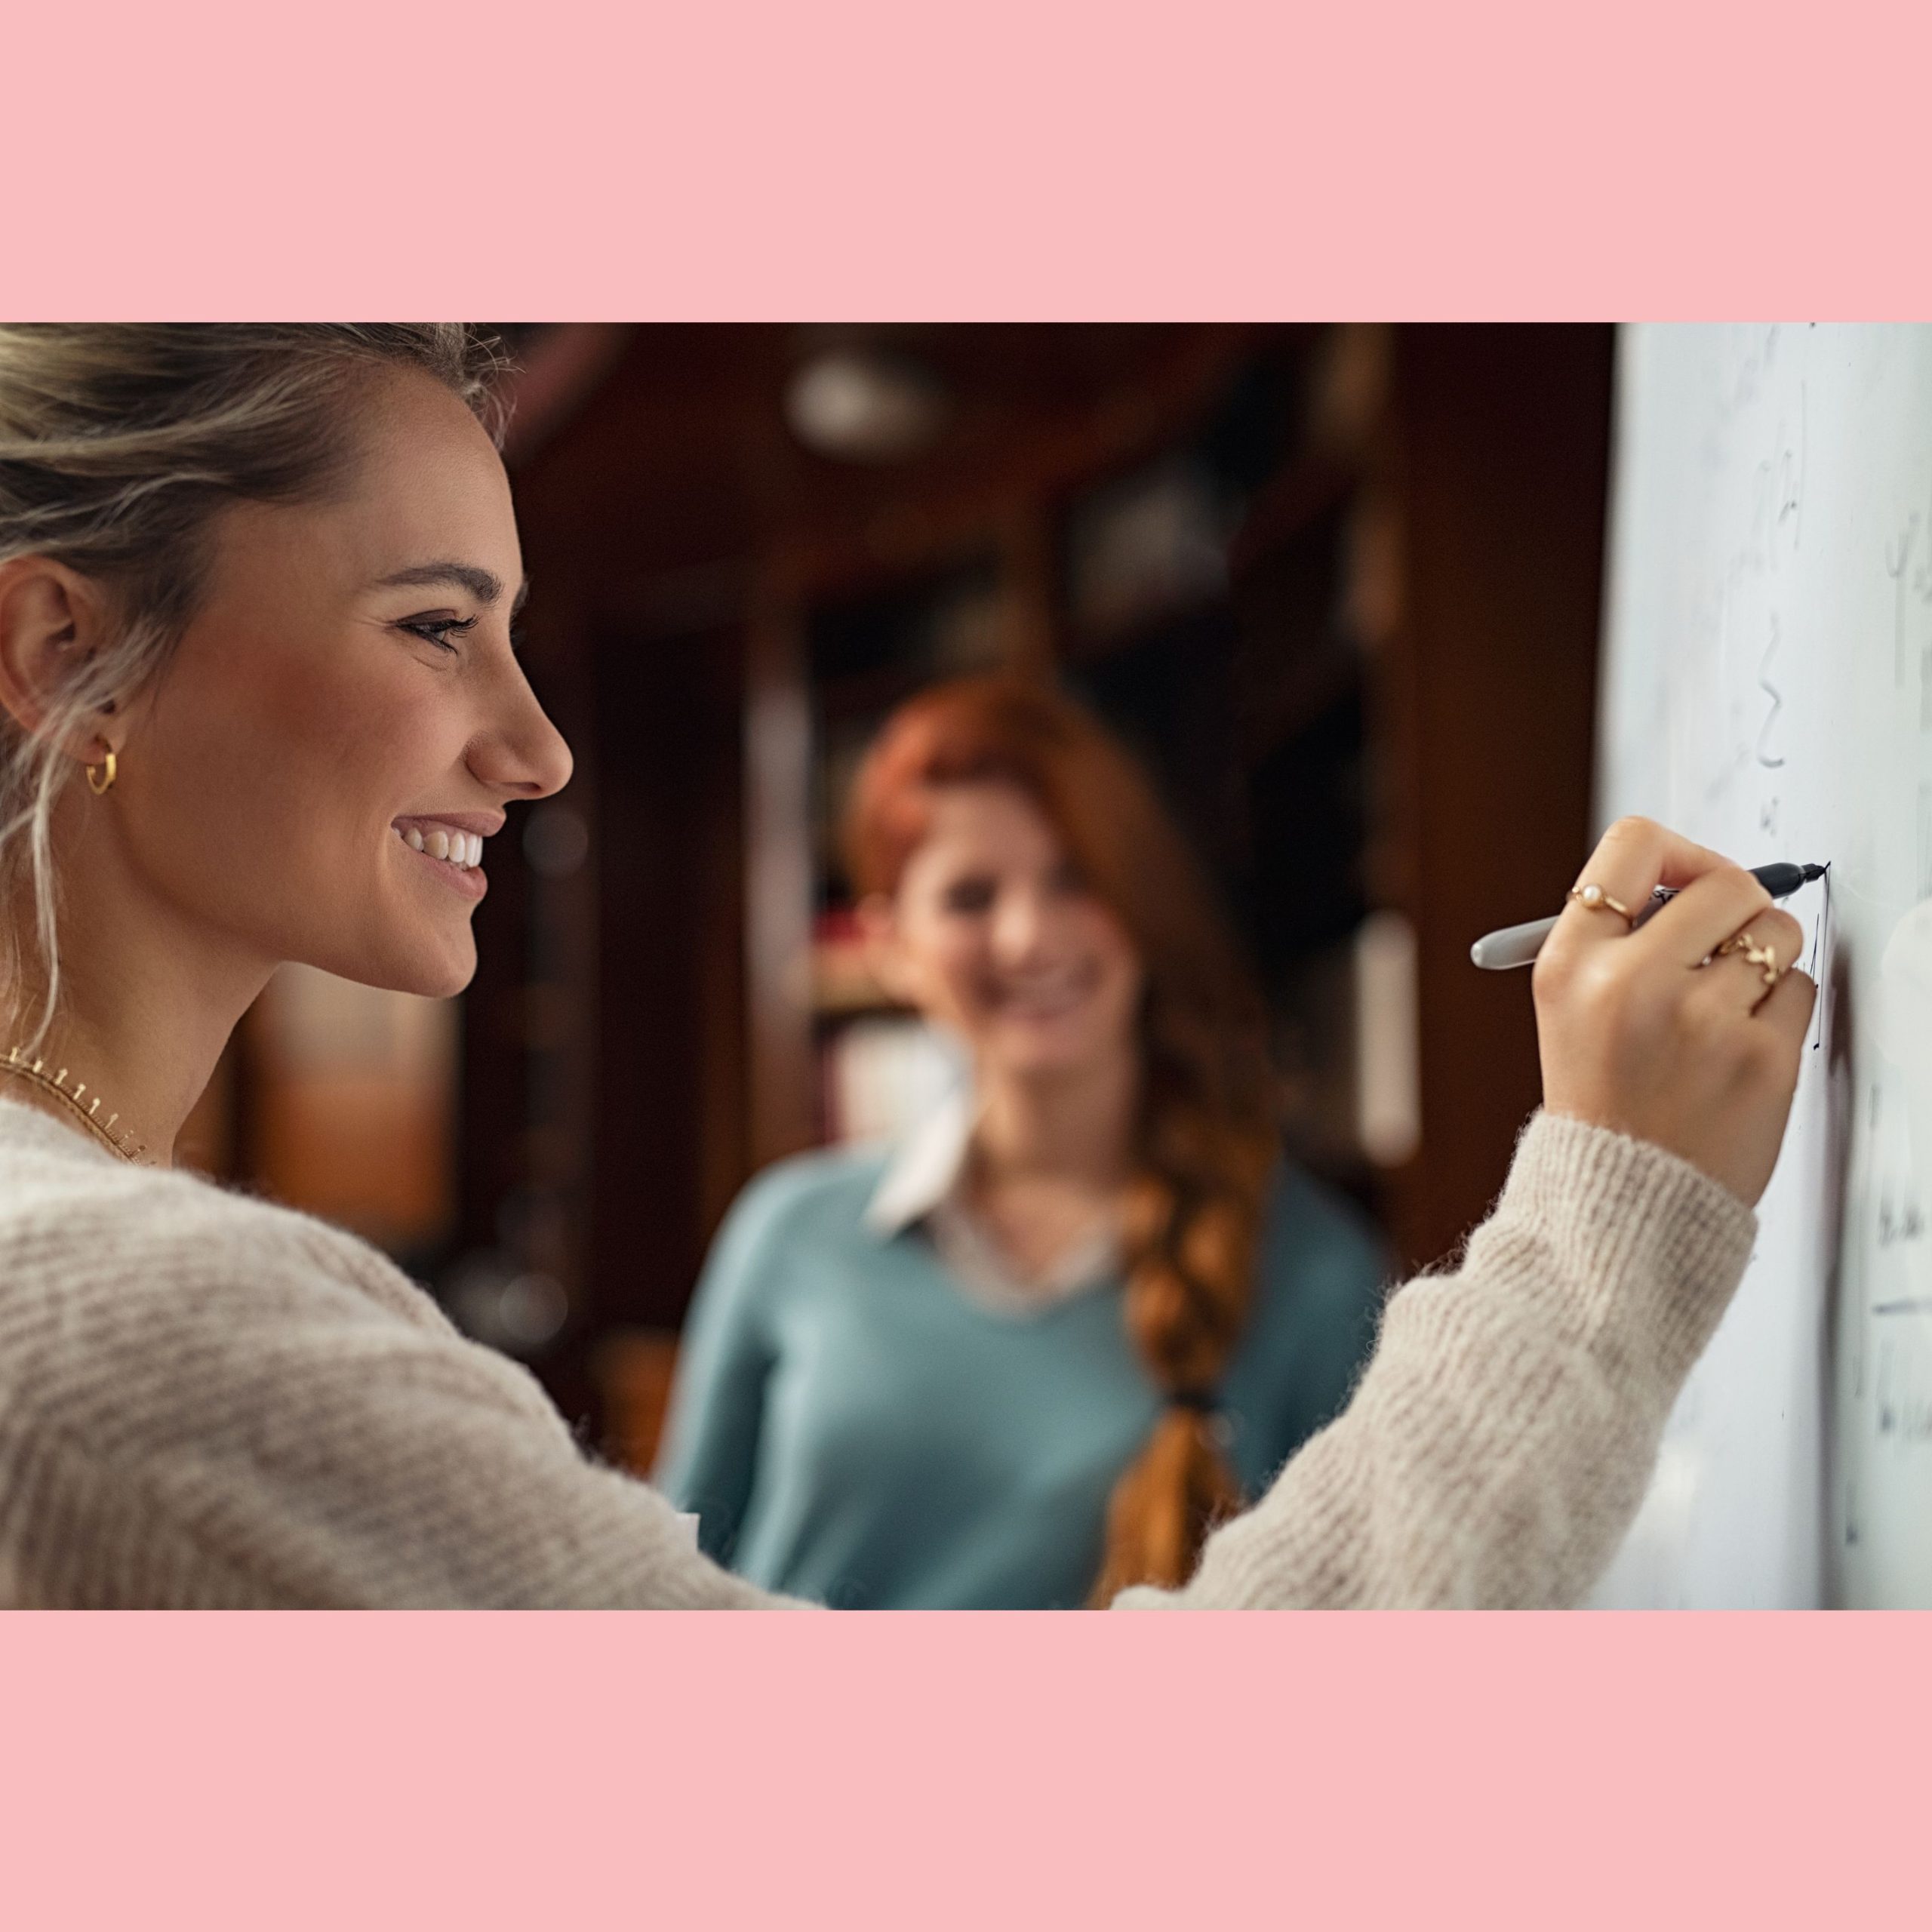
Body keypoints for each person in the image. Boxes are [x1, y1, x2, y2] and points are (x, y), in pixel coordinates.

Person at [0, 325, 1816, 1609]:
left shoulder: (1294, 1260)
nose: (542, 748)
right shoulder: (134, 1338)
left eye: (514, 636)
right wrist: (1609, 1213)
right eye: (430, 626)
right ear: (56, 640)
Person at [655, 678, 1389, 1607]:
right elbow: (663, 1594)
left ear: (1139, 905)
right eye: (968, 896)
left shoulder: (1317, 1276)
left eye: (1074, 877)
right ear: (889, 947)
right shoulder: (786, 1233)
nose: (1029, 935)